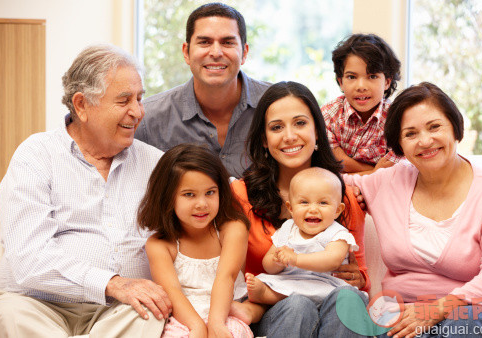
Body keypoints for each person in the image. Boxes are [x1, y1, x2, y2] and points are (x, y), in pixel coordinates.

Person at [0, 44, 171, 337]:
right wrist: (111, 282)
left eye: (140, 99)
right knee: (11, 315)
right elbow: (28, 257)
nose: (138, 112)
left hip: (121, 310)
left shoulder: (156, 164)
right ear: (81, 105)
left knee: (151, 314)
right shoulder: (36, 155)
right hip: (39, 305)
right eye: (124, 100)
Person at [344, 82, 482, 337]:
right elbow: (327, 184)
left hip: (472, 311)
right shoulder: (388, 181)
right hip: (401, 310)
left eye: (435, 126)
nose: (425, 141)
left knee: (464, 328)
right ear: (400, 144)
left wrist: (436, 310)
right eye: (410, 134)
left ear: (455, 127)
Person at [231, 81, 369, 337]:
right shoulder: (241, 195)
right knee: (298, 305)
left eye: (300, 123)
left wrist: (356, 278)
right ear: (264, 139)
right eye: (276, 127)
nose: (290, 136)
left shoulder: (345, 196)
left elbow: (360, 272)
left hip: (332, 304)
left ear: (318, 131)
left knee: (348, 300)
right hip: (276, 309)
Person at [135, 2, 271, 178]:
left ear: (244, 52)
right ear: (186, 52)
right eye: (204, 42)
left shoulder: (277, 105)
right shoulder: (148, 120)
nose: (216, 52)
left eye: (227, 42)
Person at [138, 144, 253, 337]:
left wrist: (216, 323)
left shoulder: (232, 229)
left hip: (226, 313)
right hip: (183, 318)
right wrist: (197, 327)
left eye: (210, 192)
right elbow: (172, 291)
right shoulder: (160, 244)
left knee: (231, 333)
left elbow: (226, 277)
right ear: (168, 198)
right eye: (189, 195)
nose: (202, 204)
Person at [245, 167, 364, 308]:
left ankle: (267, 295)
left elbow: (332, 260)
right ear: (291, 208)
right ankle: (266, 294)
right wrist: (277, 260)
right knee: (284, 288)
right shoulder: (288, 228)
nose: (313, 209)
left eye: (323, 203)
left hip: (325, 285)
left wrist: (296, 259)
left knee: (338, 296)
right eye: (304, 202)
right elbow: (268, 266)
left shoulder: (337, 233)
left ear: (337, 210)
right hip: (291, 282)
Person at [321, 34, 401, 175]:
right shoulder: (328, 114)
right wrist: (373, 171)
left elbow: (393, 170)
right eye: (352, 77)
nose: (361, 86)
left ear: (387, 82)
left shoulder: (397, 118)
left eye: (372, 76)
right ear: (341, 82)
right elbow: (337, 161)